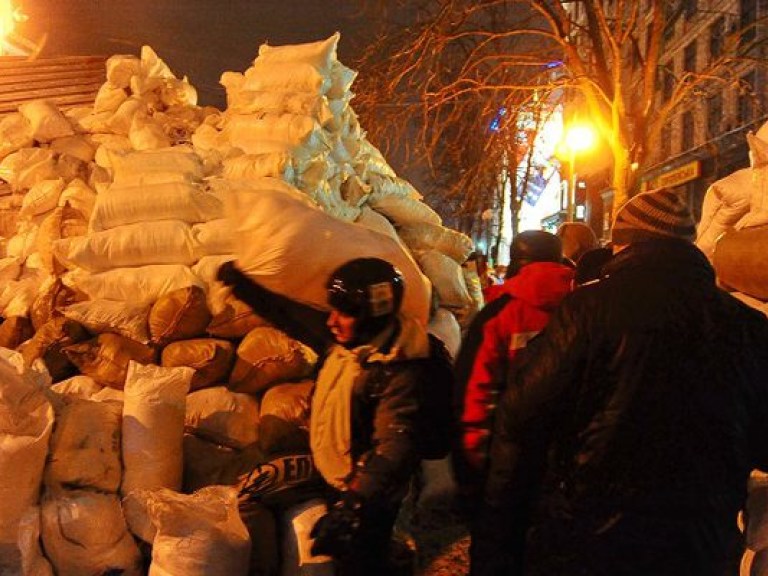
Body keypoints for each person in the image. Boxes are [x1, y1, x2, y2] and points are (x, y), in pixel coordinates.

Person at [470, 188, 768, 576]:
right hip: (699, 547)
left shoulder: (587, 310)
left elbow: (523, 416)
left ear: (621, 243)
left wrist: (498, 540)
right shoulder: (746, 324)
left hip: (593, 539)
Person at [218, 257, 449, 575]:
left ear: (373, 315)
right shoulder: (350, 343)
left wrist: (353, 506)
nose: (332, 321)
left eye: (345, 313)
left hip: (373, 495)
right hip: (342, 481)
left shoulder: (400, 368)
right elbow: (290, 316)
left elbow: (394, 445)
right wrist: (242, 285)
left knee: (366, 563)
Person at [453, 230, 573, 503]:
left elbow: (476, 389)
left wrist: (473, 459)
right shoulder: (583, 307)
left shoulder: (499, 315)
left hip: (510, 452)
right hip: (565, 456)